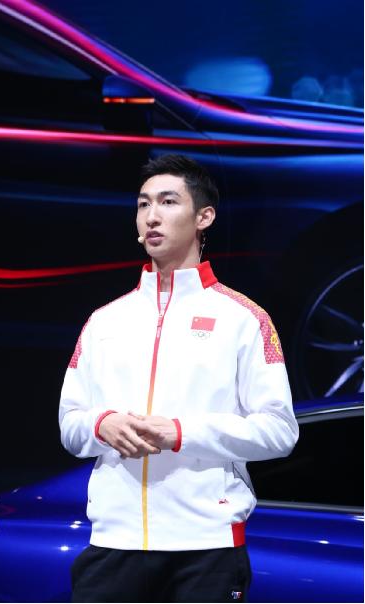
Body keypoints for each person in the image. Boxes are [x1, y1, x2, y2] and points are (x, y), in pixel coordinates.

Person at [59, 154, 299, 603]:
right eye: (143, 204)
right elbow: (70, 425)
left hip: (205, 550)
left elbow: (279, 431)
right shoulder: (104, 321)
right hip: (113, 545)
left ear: (204, 217)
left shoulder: (244, 319)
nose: (151, 216)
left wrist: (181, 433)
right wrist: (101, 425)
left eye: (168, 202)